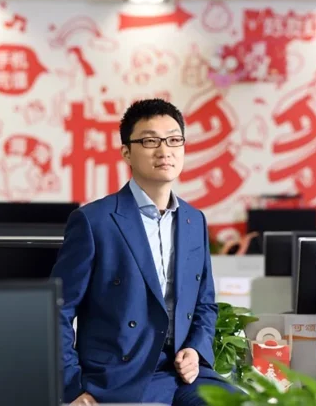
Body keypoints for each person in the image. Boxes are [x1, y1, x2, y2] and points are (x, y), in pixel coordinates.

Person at [51, 99, 239, 405]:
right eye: (150, 141)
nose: (165, 151)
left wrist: (196, 349)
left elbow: (205, 303)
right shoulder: (94, 221)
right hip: (122, 378)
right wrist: (72, 387)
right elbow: (56, 310)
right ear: (126, 152)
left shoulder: (194, 220)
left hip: (183, 374)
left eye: (174, 140)